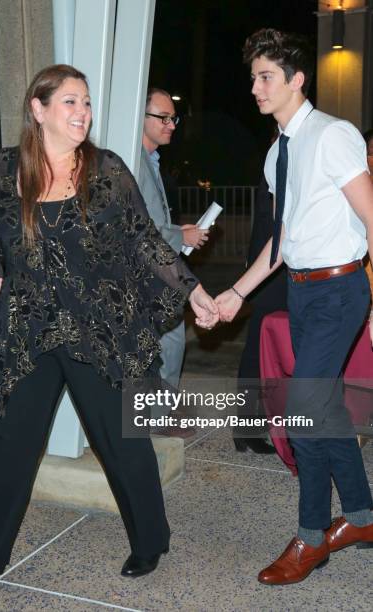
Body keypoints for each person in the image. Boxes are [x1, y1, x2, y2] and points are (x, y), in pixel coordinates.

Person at [0, 64, 219, 607]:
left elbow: (146, 242)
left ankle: (150, 540)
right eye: (71, 102)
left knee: (121, 442)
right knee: (8, 445)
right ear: (39, 109)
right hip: (29, 331)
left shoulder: (107, 171)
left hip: (97, 330)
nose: (83, 113)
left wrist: (193, 292)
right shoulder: (4, 171)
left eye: (87, 103)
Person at [216, 29, 373, 585]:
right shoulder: (274, 153)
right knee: (323, 410)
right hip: (303, 289)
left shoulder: (334, 136)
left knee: (304, 418)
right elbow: (282, 241)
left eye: (266, 78)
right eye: (253, 78)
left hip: (339, 288)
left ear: (296, 80)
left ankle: (311, 540)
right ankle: (361, 516)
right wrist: (237, 292)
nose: (256, 88)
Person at [139, 88, 209, 437]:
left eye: (173, 118)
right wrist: (181, 237)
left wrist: (177, 230)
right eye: (163, 118)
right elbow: (141, 229)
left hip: (159, 268)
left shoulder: (150, 159)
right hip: (148, 272)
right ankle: (157, 417)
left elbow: (151, 220)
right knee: (167, 341)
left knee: (169, 341)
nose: (171, 125)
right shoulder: (132, 163)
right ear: (142, 117)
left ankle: (161, 413)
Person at [233, 172, 285, 454]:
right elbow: (275, 224)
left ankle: (252, 426)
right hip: (272, 274)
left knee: (267, 352)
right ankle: (246, 427)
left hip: (277, 272)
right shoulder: (278, 159)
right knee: (259, 352)